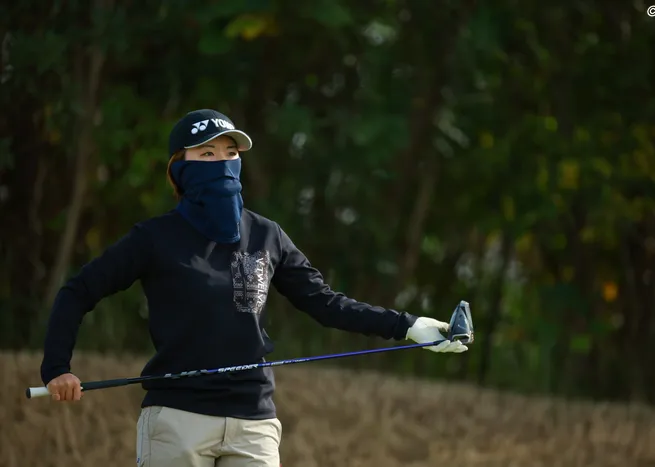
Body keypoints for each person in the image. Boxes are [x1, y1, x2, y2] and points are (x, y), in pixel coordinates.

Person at [39, 109, 469, 467]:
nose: (222, 162)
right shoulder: (154, 238)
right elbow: (78, 291)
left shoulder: (266, 235)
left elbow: (326, 304)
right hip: (176, 419)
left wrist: (409, 325)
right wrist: (58, 367)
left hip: (253, 423)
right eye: (207, 153)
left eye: (231, 153)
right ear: (180, 167)